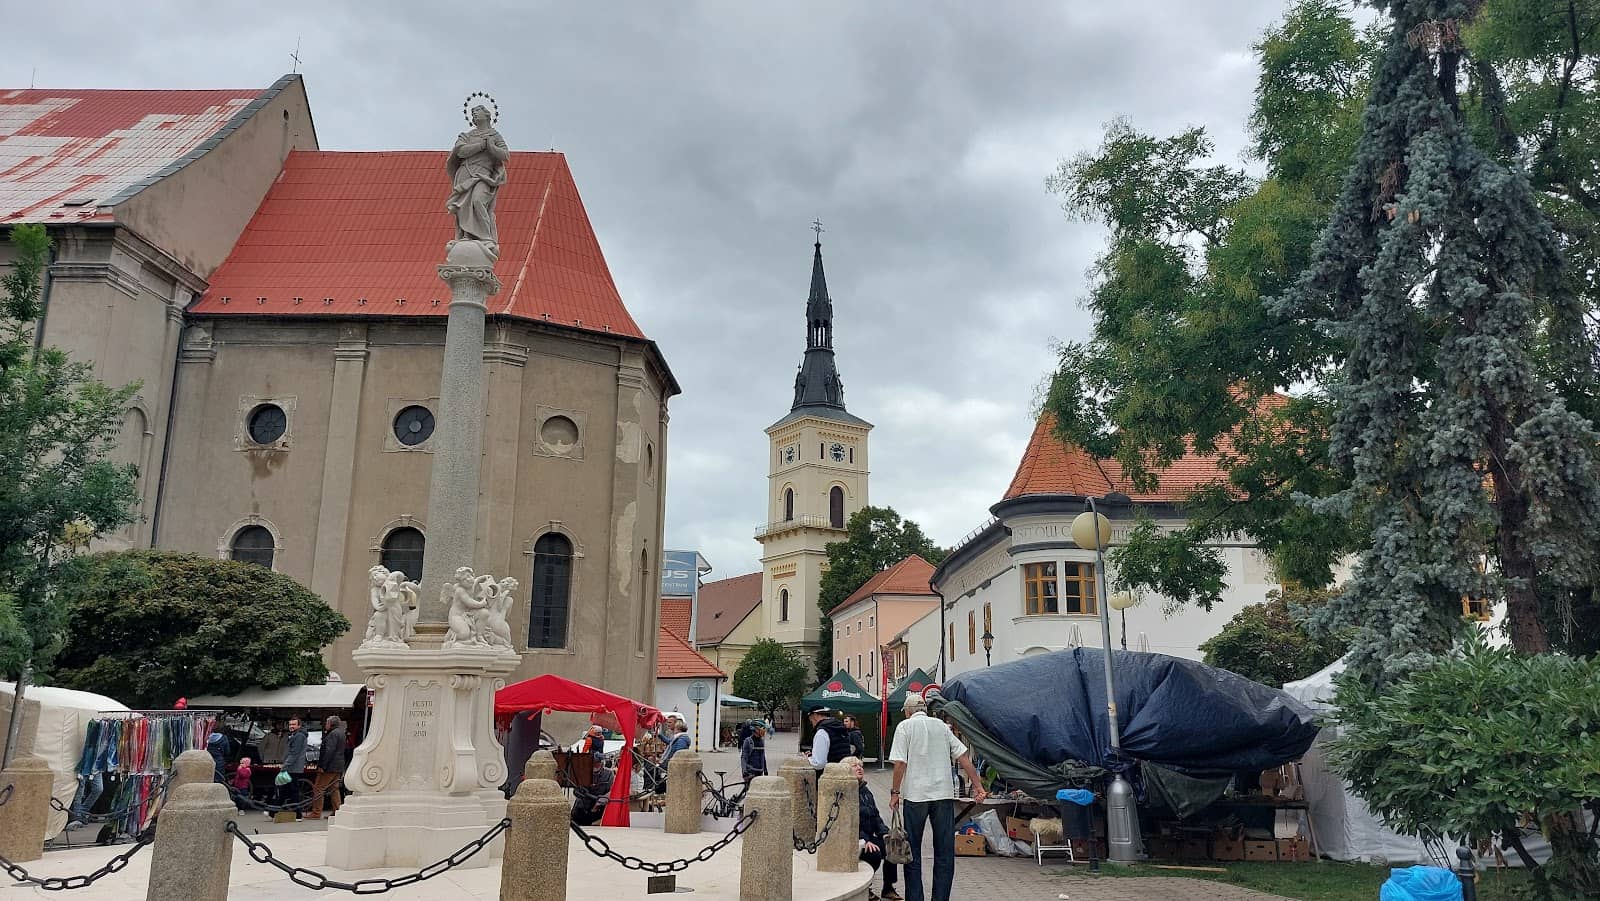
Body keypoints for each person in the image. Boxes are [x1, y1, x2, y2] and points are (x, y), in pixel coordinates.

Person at [889, 695, 986, 901]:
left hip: (916, 795)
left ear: (908, 712)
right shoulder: (942, 727)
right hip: (942, 793)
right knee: (944, 851)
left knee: (912, 850)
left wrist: (895, 792)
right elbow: (963, 757)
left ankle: (915, 898)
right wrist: (978, 786)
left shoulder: (905, 727)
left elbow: (900, 763)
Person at [853, 757, 901, 901]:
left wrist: (885, 832)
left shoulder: (866, 791)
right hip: (855, 839)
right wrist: (865, 840)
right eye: (854, 766)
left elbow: (875, 816)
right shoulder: (846, 793)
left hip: (868, 837)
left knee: (891, 845)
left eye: (860, 765)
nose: (859, 768)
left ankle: (888, 888)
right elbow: (850, 824)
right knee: (874, 854)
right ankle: (865, 888)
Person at [308, 715, 347, 819]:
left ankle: (316, 812)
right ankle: (337, 811)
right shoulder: (341, 733)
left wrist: (322, 766)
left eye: (326, 723)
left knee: (318, 788)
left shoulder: (332, 734)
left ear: (331, 724)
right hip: (338, 766)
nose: (325, 725)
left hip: (330, 766)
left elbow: (329, 751)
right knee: (334, 788)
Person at [281, 716, 308, 819]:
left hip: (293, 767)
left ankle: (297, 815)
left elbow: (294, 753)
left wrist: (285, 765)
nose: (291, 726)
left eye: (293, 724)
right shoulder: (296, 735)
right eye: (290, 724)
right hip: (293, 767)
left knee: (291, 791)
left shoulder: (299, 736)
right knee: (287, 790)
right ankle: (272, 812)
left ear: (299, 725)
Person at [572, 763, 615, 827]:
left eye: (597, 763)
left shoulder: (608, 774)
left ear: (602, 763)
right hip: (580, 810)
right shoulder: (583, 771)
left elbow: (612, 792)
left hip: (597, 812)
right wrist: (581, 791)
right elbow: (576, 791)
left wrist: (600, 802)